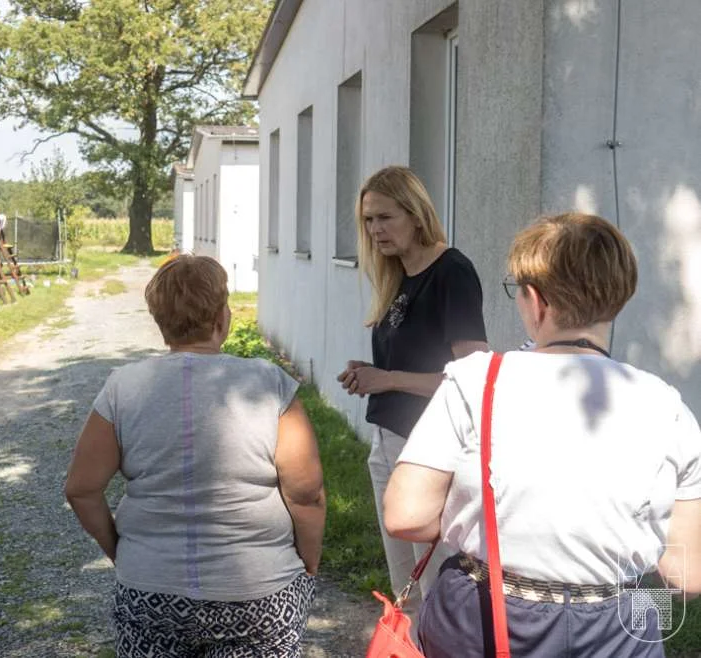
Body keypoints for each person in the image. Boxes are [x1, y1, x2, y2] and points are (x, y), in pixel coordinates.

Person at [384, 212, 701, 656]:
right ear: (618, 299)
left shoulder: (477, 380)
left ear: (536, 301)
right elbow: (687, 575)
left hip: (483, 612)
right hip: (617, 626)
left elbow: (406, 515)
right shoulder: (668, 407)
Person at [65, 254, 325, 657]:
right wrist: (310, 558)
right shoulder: (267, 383)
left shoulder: (123, 388)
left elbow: (82, 490)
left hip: (150, 593)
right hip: (258, 595)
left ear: (160, 322)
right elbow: (305, 492)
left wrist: (123, 552)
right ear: (223, 317)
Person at [337, 166, 488, 620]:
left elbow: (473, 378)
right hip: (388, 441)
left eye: (385, 217)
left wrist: (389, 379)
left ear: (416, 214)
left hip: (432, 450)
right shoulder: (397, 275)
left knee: (438, 579)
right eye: (367, 220)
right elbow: (409, 362)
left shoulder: (451, 272)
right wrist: (372, 373)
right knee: (408, 585)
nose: (375, 230)